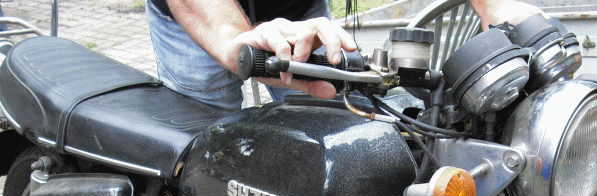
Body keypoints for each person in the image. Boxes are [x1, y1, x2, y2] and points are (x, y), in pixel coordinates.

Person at [145, 0, 545, 112]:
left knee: (334, 127)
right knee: (203, 155)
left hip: (301, 16)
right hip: (200, 18)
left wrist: (498, 7)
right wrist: (232, 40)